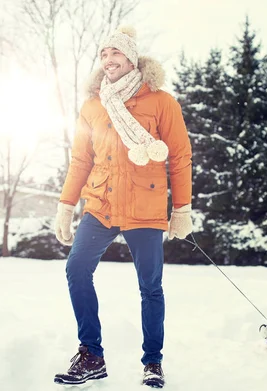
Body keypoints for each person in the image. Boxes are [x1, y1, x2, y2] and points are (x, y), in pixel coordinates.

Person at [52, 26, 192, 388]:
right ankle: (91, 354)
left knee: (150, 286)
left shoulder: (161, 101)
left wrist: (182, 208)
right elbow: (80, 160)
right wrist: (66, 206)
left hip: (144, 206)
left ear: (132, 59)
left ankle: (153, 361)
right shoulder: (93, 105)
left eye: (116, 53)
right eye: (103, 54)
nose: (108, 60)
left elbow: (179, 156)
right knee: (76, 269)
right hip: (100, 204)